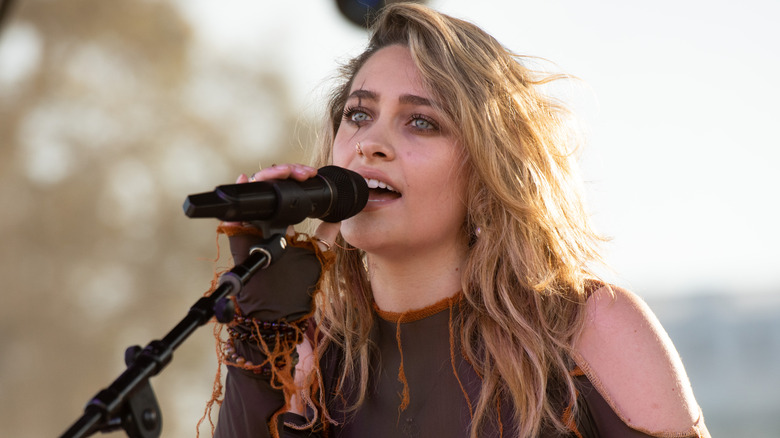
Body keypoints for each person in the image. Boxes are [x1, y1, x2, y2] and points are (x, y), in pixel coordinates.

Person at [203, 3, 711, 438]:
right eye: (358, 114)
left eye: (421, 121)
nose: (369, 143)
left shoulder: (590, 326)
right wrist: (264, 327)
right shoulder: (311, 358)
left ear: (488, 168)